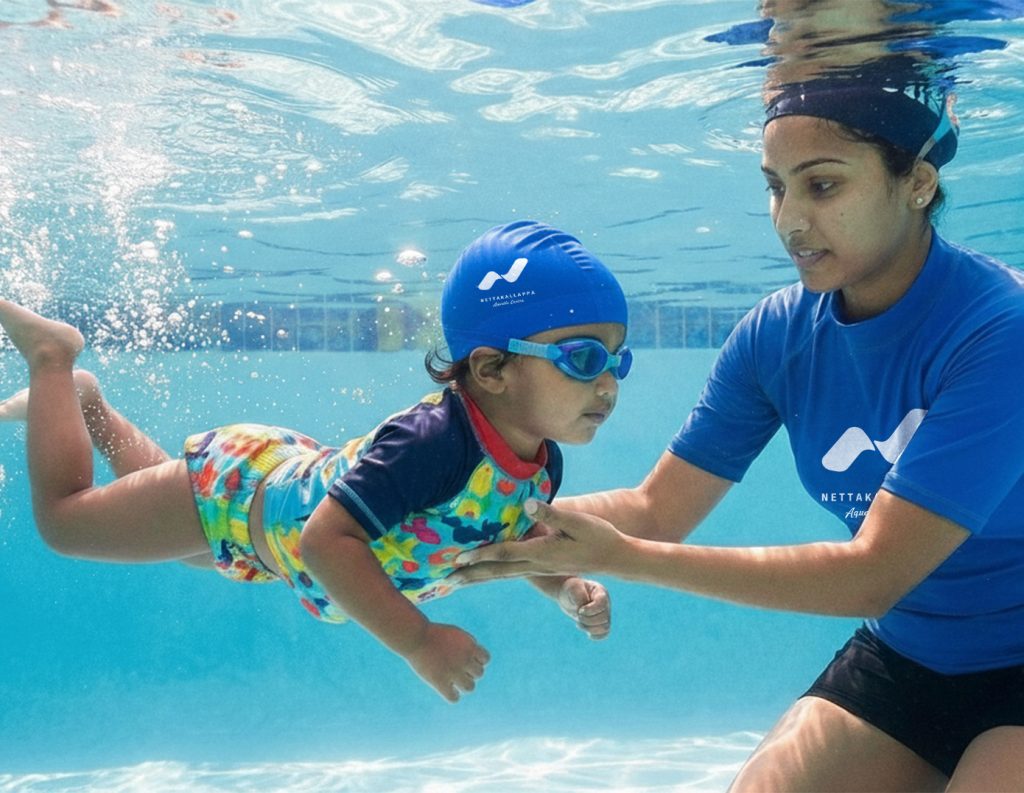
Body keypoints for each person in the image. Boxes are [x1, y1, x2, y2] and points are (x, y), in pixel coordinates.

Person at [454, 80, 1024, 791]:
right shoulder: (777, 335)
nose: (790, 221)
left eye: (822, 185)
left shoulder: (1001, 328)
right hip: (913, 655)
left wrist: (630, 559)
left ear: (917, 183)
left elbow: (875, 572)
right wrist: (459, 519)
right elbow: (656, 510)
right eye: (776, 188)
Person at [0, 219, 630, 704]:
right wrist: (419, 640)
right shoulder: (434, 442)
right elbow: (327, 541)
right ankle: (54, 361)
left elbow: (512, 541)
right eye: (584, 360)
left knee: (157, 520)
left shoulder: (538, 460)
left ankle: (89, 408)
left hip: (259, 539)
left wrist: (563, 586)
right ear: (492, 367)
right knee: (66, 522)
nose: (608, 385)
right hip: (238, 494)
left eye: (617, 360)